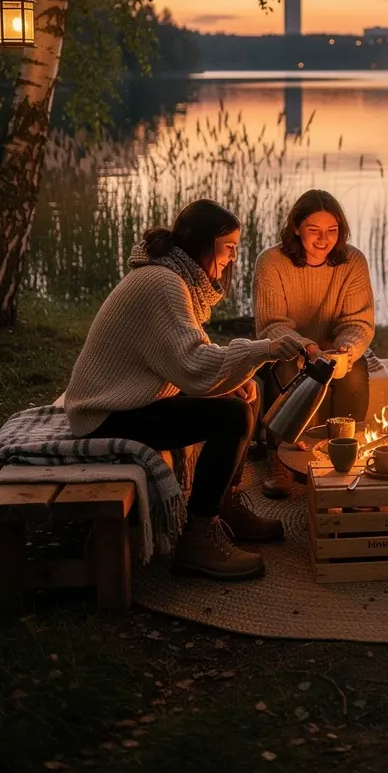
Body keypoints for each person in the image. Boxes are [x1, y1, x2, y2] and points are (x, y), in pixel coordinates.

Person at [64, 199, 282, 583]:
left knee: (246, 392)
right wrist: (264, 349)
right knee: (232, 416)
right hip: (105, 413)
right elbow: (194, 365)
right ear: (203, 243)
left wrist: (239, 375)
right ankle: (199, 539)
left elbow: (182, 354)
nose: (233, 258)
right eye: (228, 247)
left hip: (132, 396)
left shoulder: (171, 277)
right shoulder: (162, 283)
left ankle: (222, 504)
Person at [253, 189, 375, 498]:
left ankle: (346, 454)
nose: (324, 239)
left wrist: (347, 350)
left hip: (334, 350)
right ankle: (279, 458)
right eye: (314, 230)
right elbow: (272, 325)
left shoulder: (352, 261)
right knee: (286, 371)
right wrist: (306, 348)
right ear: (296, 227)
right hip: (288, 349)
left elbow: (358, 321)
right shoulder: (272, 262)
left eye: (332, 231)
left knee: (356, 374)